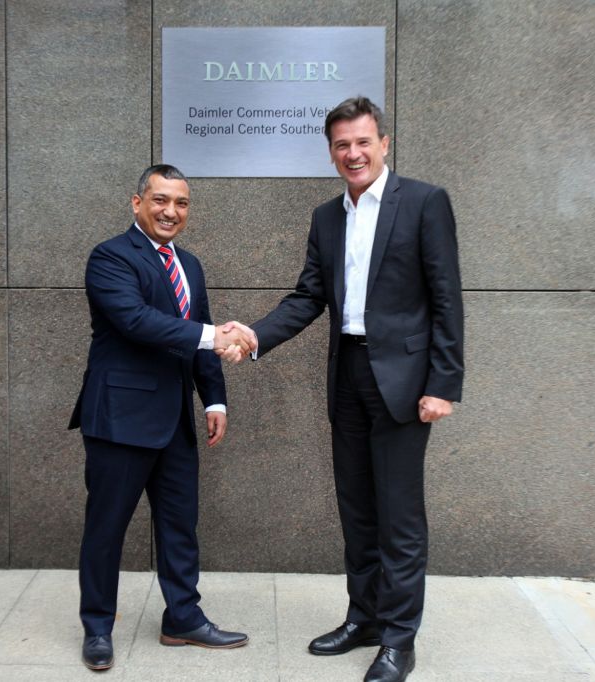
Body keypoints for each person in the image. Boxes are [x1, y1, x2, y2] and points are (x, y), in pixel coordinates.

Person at [223, 96, 464, 682]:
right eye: (341, 145)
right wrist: (253, 335)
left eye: (363, 141)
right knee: (357, 509)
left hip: (406, 385)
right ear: (331, 153)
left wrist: (443, 383)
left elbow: (446, 298)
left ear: (384, 144)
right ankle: (366, 618)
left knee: (399, 517)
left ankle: (400, 640)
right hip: (349, 376)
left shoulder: (425, 203)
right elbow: (308, 297)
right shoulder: (327, 218)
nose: (353, 153)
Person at [69, 164, 255, 671]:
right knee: (106, 528)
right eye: (160, 200)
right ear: (137, 203)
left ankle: (183, 619)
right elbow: (134, 320)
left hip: (174, 420)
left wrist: (213, 400)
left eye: (181, 203)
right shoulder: (110, 256)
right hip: (120, 419)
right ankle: (98, 628)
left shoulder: (189, 265)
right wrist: (210, 336)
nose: (171, 211)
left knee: (180, 525)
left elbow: (199, 333)